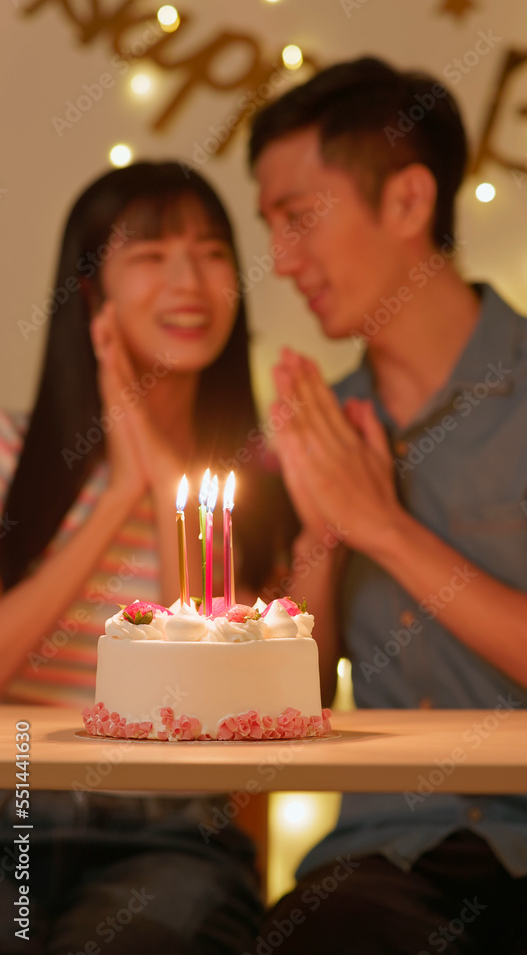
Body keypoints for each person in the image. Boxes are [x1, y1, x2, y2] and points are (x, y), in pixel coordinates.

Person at [248, 58, 527, 953]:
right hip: (384, 866)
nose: (282, 263)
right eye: (268, 229)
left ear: (407, 203)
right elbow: (281, 713)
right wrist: (323, 537)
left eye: (297, 219)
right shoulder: (324, 434)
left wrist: (384, 529)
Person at [0, 161, 286, 953]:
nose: (189, 281)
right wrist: (119, 492)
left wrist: (163, 485)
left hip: (170, 835)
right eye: (151, 255)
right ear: (91, 293)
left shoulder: (259, 488)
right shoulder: (9, 453)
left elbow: (210, 706)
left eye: (212, 251)